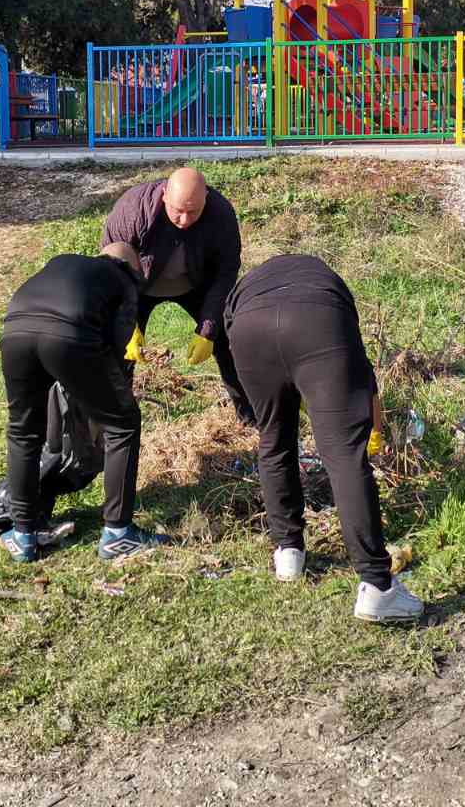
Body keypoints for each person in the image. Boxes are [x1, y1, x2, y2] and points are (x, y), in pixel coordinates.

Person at [223, 254, 424, 624]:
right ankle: (377, 587)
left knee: (273, 438)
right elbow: (361, 370)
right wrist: (370, 426)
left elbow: (229, 346)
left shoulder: (247, 287)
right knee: (344, 455)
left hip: (249, 328)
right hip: (318, 324)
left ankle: (288, 553)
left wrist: (250, 405)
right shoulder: (328, 286)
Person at [0, 242, 168, 563]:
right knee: (123, 424)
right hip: (68, 335)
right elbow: (115, 353)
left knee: (23, 431)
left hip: (15, 331)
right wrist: (107, 400)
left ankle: (23, 534)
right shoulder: (123, 280)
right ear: (134, 269)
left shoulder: (62, 262)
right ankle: (118, 533)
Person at [103, 168, 253, 422]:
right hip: (140, 287)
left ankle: (249, 415)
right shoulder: (132, 209)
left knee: (228, 341)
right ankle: (117, 421)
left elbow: (225, 273)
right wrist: (125, 321)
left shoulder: (221, 214)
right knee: (119, 348)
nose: (184, 219)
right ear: (164, 195)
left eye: (193, 211)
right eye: (178, 211)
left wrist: (209, 329)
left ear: (206, 197)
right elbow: (112, 268)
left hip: (196, 285)